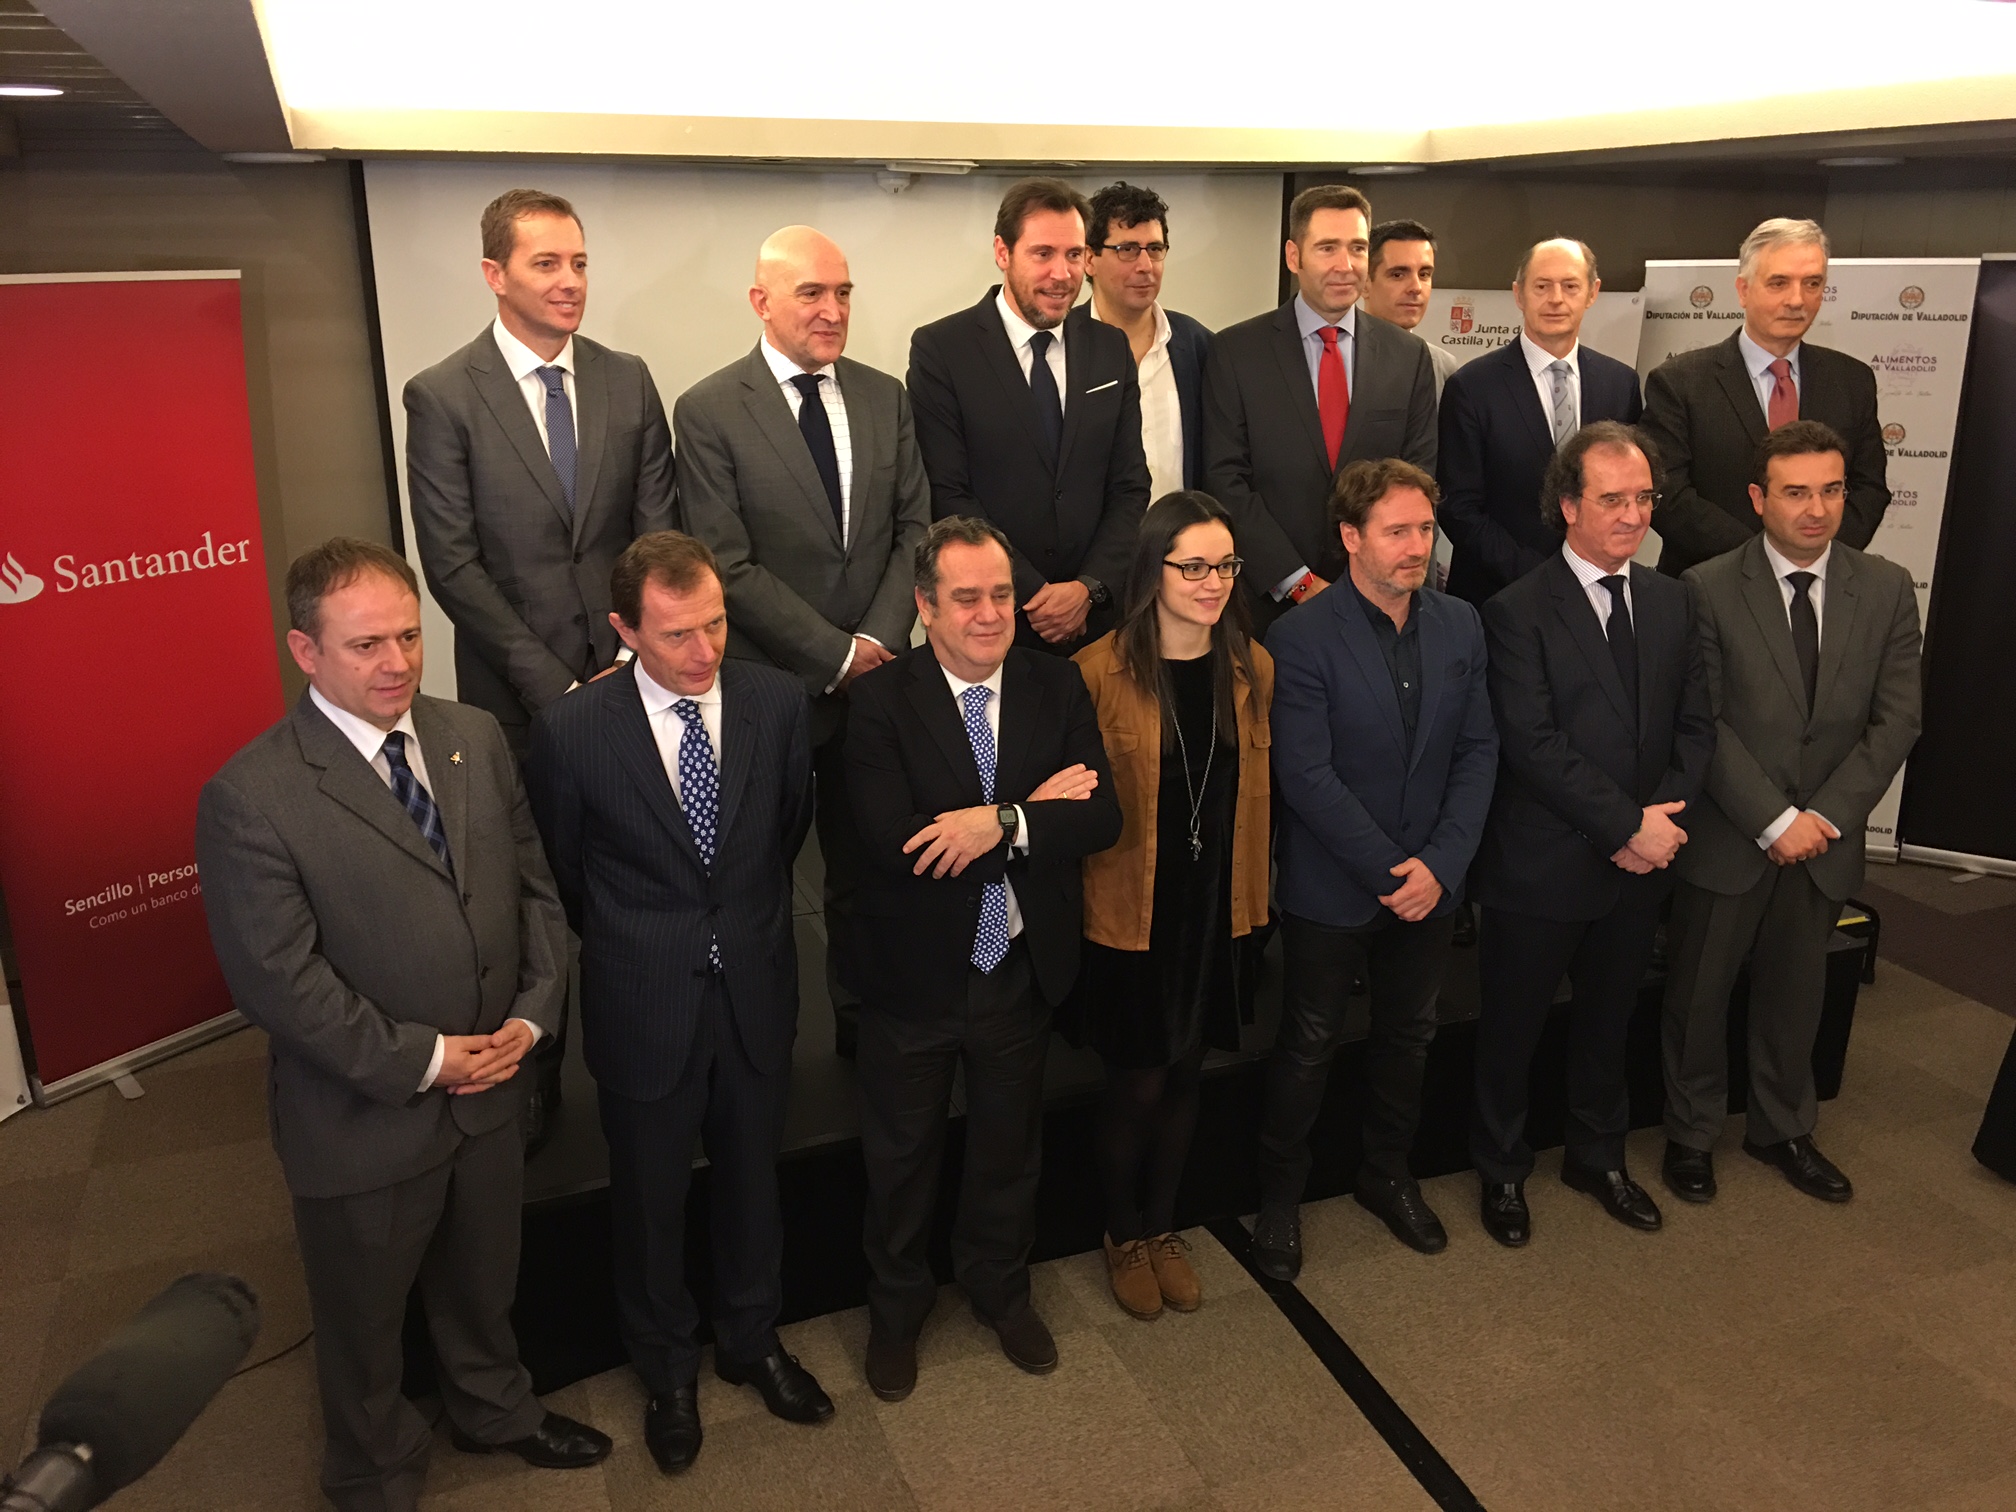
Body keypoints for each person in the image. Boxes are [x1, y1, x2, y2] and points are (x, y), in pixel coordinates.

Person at [194, 539, 610, 1512]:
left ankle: (493, 1409)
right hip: (364, 1122)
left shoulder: (474, 735)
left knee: (483, 1283)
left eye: (411, 637)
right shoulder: (250, 798)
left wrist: (532, 1018)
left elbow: (536, 893)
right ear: (305, 650)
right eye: (367, 644)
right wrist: (425, 1060)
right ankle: (372, 1472)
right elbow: (279, 984)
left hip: (494, 1091)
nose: (398, 663)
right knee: (364, 1323)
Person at [526, 531, 829, 1475]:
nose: (704, 653)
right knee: (650, 1202)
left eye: (716, 625)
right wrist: (652, 940)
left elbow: (784, 834)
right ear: (625, 630)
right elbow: (566, 872)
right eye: (676, 635)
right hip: (643, 998)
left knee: (753, 1182)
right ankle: (667, 1373)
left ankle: (751, 1340)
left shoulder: (777, 702)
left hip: (755, 987)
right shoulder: (573, 730)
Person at [405, 187, 679, 1149]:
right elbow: (452, 565)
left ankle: (647, 1056)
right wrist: (559, 685)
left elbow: (655, 535)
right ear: (495, 275)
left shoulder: (627, 380)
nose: (570, 282)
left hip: (633, 681)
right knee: (534, 888)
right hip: (518, 700)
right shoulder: (444, 394)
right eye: (547, 264)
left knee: (639, 872)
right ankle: (539, 1073)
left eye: (580, 263)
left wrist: (628, 656)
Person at [846, 516, 1122, 1400]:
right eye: (966, 598)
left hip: (1017, 971)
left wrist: (995, 821)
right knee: (901, 1161)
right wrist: (1034, 815)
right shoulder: (880, 703)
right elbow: (900, 844)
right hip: (912, 977)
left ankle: (1000, 1290)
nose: (991, 613)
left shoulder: (1056, 683)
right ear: (925, 608)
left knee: (1009, 1150)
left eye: (1001, 594)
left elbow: (1101, 816)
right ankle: (897, 1313)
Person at [675, 225, 931, 1057]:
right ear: (761, 301)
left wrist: (876, 642)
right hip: (770, 690)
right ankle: (764, 1041)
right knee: (757, 879)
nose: (832, 310)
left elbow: (914, 530)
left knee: (871, 871)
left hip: (878, 684)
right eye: (811, 293)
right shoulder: (710, 410)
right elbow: (726, 563)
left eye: (843, 292)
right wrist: (836, 654)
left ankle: (864, 1031)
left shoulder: (885, 396)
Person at [1661, 420, 1921, 1204]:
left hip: (1825, 842)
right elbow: (1703, 721)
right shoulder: (1705, 587)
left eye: (1832, 490)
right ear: (1758, 497)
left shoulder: (1886, 588)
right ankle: (1691, 1133)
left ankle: (1782, 1128)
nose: (1817, 509)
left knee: (1797, 992)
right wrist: (1774, 820)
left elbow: (1897, 720)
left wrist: (1825, 817)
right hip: (1731, 835)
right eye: (1797, 492)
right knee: (1698, 995)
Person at [1467, 423, 1714, 1246]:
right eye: (1613, 499)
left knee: (1609, 1023)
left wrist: (1658, 827)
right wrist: (1625, 825)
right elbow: (1532, 744)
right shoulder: (1514, 611)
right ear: (1568, 505)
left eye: (1644, 498)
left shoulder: (1675, 600)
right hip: (1543, 865)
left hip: (1641, 865)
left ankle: (1597, 1156)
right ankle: (1502, 1169)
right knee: (1513, 1030)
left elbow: (1696, 727)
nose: (1633, 515)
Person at [1253, 460, 1497, 1276]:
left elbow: (1478, 751)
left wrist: (1441, 866)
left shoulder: (1461, 624)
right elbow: (1306, 776)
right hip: (1334, 886)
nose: (1417, 546)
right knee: (1308, 1044)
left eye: (1425, 528)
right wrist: (1396, 870)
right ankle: (1279, 1201)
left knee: (1410, 1037)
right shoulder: (1298, 637)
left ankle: (1387, 1174)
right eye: (1397, 531)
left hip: (1433, 884)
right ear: (1351, 537)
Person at [1069, 492, 1273, 1320]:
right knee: (1139, 1084)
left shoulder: (1251, 667)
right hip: (1133, 910)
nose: (1213, 582)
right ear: (1152, 570)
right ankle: (1122, 1233)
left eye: (1225, 565)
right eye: (1193, 566)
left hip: (1218, 904)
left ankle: (1164, 1226)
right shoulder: (1096, 671)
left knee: (1191, 1072)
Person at [908, 179, 1151, 654]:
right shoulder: (943, 350)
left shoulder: (1109, 348)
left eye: (1074, 254)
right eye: (1043, 254)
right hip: (992, 622)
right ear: (1003, 252)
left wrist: (1089, 588)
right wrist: (1031, 592)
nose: (1062, 274)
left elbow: (1129, 484)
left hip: (1098, 623)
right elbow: (948, 492)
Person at [1203, 184, 1438, 639]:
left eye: (1357, 248)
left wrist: (1368, 579)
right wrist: (1297, 581)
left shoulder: (1407, 357)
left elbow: (1419, 476)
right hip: (1269, 605)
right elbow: (1225, 479)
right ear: (1294, 256)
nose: (1345, 264)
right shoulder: (1236, 352)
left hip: (1380, 599)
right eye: (1327, 248)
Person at [1641, 217, 1890, 579]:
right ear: (1743, 290)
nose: (1797, 300)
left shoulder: (1852, 381)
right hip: (1708, 586)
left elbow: (1869, 489)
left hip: (1818, 585)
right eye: (1778, 283)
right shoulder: (1679, 382)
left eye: (1812, 283)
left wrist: (1812, 556)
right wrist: (1764, 562)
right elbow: (1668, 495)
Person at [1438, 239, 1644, 606]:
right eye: (1542, 286)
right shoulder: (1471, 387)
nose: (1556, 299)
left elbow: (1629, 492)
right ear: (1519, 294)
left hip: (1599, 593)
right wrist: (1543, 577)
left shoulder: (1620, 383)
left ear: (1593, 293)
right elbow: (1458, 508)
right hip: (1498, 597)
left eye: (1570, 286)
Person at [1068, 181, 1214, 499]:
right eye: (1128, 250)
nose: (1146, 266)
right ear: (1089, 259)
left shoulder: (1198, 346)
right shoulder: (1062, 345)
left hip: (1182, 530)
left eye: (1155, 249)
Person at [1362, 219, 1458, 397]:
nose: (1416, 287)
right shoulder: (1335, 361)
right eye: (1398, 275)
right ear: (1364, 283)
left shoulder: (1444, 367)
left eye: (1424, 274)